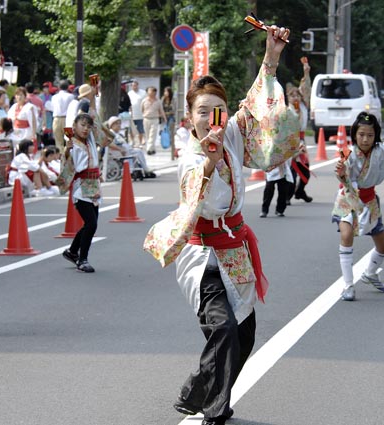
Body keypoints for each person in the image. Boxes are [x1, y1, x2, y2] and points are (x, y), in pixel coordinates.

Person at [143, 25, 298, 425]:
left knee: (245, 334)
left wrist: (272, 55)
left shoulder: (230, 132)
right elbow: (194, 189)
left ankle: (202, 392)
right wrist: (210, 159)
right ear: (188, 116)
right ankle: (212, 406)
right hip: (201, 254)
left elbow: (255, 102)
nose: (211, 118)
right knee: (224, 329)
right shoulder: (190, 154)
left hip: (235, 248)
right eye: (201, 111)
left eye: (218, 109)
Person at [333, 112, 384, 301]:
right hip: (348, 199)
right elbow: (343, 175)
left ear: (375, 135)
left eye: (370, 135)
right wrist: (342, 173)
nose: (365, 139)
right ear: (354, 134)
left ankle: (370, 273)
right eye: (361, 134)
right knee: (346, 235)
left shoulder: (383, 150)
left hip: (370, 202)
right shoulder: (348, 154)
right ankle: (348, 285)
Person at [58, 113, 108, 273]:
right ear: (74, 126)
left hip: (94, 187)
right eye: (82, 125)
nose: (86, 129)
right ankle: (82, 259)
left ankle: (72, 251)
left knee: (90, 224)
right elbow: (68, 166)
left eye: (88, 126)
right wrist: (67, 151)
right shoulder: (73, 145)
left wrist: (93, 98)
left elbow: (98, 126)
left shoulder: (91, 140)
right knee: (91, 224)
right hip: (81, 188)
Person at [286, 81, 312, 203]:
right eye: (292, 95)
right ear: (288, 97)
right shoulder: (286, 111)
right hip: (291, 141)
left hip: (301, 141)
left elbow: (306, 87)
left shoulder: (303, 106)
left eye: (297, 95)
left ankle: (300, 191)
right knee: (292, 171)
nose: (295, 97)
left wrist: (306, 72)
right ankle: (287, 196)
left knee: (305, 170)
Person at [7, 87, 37, 152]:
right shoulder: (14, 106)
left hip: (25, 132)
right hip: (15, 131)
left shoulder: (29, 107)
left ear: (25, 96)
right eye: (17, 95)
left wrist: (33, 135)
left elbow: (33, 121)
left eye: (21, 95)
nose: (19, 97)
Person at [141, 86, 167, 155]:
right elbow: (142, 110)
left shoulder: (158, 101)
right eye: (150, 91)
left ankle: (149, 149)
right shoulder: (144, 101)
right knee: (147, 135)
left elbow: (161, 110)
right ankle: (152, 149)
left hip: (155, 119)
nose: (151, 92)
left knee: (153, 134)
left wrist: (164, 118)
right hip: (146, 119)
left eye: (152, 91)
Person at [51, 80, 75, 151]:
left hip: (56, 119)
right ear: (68, 87)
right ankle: (68, 155)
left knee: (58, 141)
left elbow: (52, 107)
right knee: (69, 139)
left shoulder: (54, 97)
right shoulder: (71, 96)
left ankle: (60, 157)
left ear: (58, 87)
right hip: (67, 120)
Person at [128, 80, 146, 147]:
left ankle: (140, 142)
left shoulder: (143, 93)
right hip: (132, 114)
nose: (134, 87)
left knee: (140, 129)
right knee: (131, 129)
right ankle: (132, 141)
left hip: (140, 114)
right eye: (133, 86)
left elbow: (145, 102)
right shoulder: (129, 93)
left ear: (138, 85)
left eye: (135, 85)